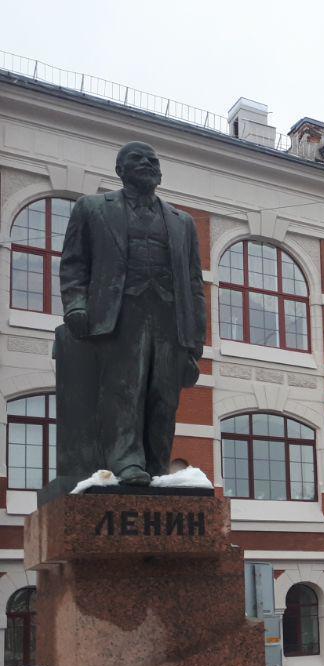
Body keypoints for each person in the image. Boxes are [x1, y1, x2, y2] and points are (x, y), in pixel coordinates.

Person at [56, 142, 205, 490]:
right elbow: (74, 263)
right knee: (125, 388)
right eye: (137, 159)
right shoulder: (92, 208)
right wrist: (76, 304)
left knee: (164, 397)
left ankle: (155, 464)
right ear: (120, 170)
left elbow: (194, 283)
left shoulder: (183, 222)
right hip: (119, 313)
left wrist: (196, 341)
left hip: (170, 317)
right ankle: (127, 460)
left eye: (153, 160)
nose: (148, 164)